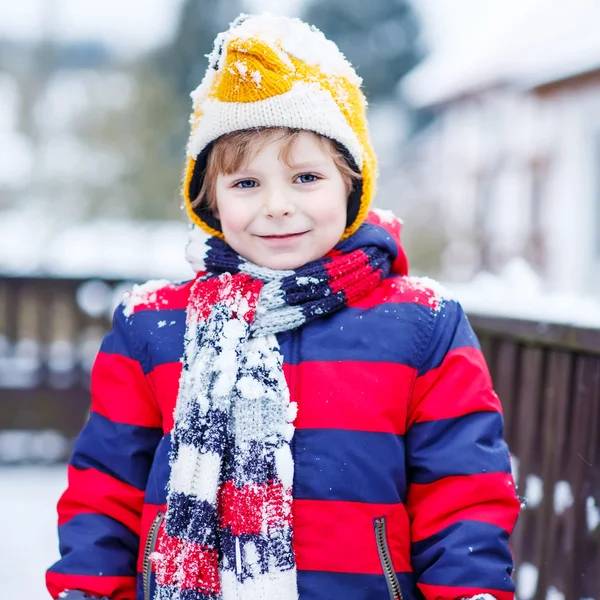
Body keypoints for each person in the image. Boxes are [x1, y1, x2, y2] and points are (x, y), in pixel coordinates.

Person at [47, 13, 520, 600]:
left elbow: (462, 490)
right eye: (246, 183)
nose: (276, 206)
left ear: (350, 186)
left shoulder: (421, 325)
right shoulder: (153, 327)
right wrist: (89, 589)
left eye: (305, 177)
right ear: (209, 199)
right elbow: (107, 488)